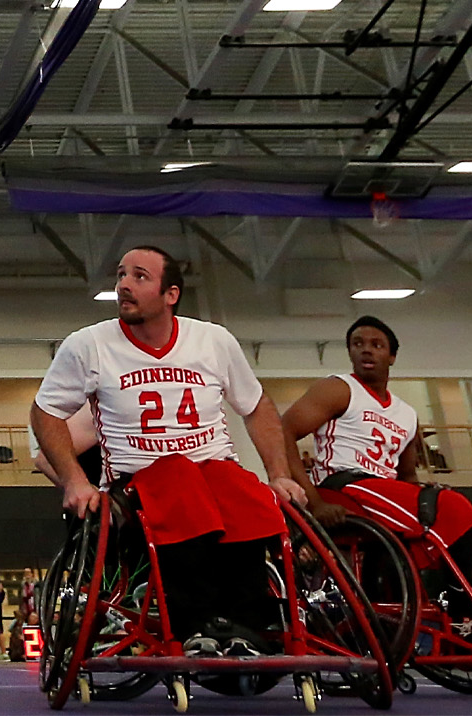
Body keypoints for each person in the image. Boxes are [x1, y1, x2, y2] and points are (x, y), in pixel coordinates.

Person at [31, 246, 307, 654]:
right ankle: (194, 621)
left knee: (242, 488)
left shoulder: (213, 341)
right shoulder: (88, 345)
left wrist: (279, 474)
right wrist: (75, 481)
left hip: (212, 471)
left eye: (139, 276)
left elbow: (257, 407)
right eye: (121, 275)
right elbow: (46, 412)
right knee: (178, 475)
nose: (124, 284)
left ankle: (249, 622)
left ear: (170, 294)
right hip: (136, 482)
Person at [280, 316, 472, 593]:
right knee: (453, 506)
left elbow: (406, 475)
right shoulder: (339, 388)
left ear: (392, 356)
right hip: (343, 485)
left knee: (463, 519)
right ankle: (464, 604)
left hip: (384, 491)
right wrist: (315, 500)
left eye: (376, 345)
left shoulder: (407, 414)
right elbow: (282, 432)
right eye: (358, 344)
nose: (365, 349)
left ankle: (466, 601)